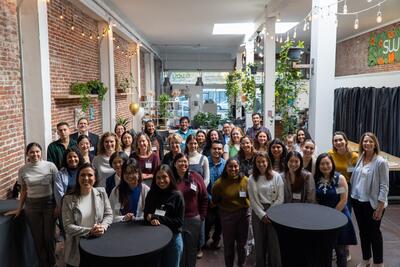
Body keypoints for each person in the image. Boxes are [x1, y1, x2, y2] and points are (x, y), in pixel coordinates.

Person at [6, 143, 58, 267]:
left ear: (41, 152)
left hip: (49, 204)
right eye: (31, 152)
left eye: (37, 151)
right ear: (27, 154)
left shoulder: (50, 166)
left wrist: (58, 206)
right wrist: (19, 209)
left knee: (49, 237)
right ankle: (43, 263)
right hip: (32, 207)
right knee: (38, 238)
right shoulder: (23, 170)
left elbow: (57, 188)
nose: (35, 154)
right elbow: (23, 190)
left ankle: (52, 262)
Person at [61, 163, 113, 267]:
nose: (86, 178)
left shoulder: (101, 192)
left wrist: (103, 227)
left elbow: (108, 214)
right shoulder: (68, 199)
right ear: (77, 177)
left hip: (98, 242)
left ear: (95, 178)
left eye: (90, 175)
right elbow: (68, 227)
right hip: (77, 246)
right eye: (82, 175)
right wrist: (90, 231)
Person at [351, 133, 389, 267]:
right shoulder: (361, 157)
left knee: (374, 233)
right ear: (362, 144)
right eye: (365, 141)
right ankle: (366, 259)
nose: (367, 144)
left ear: (375, 144)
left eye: (370, 141)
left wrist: (380, 206)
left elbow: (384, 186)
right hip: (357, 201)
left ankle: (378, 263)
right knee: (363, 232)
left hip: (372, 203)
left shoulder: (381, 162)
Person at [314, 153, 357, 267]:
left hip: (339, 217)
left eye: (327, 163)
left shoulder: (339, 178)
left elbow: (343, 200)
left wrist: (331, 215)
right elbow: (315, 199)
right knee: (325, 251)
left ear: (332, 164)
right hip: (322, 219)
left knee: (341, 251)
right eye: (322, 164)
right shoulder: (316, 179)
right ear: (318, 166)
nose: (325, 166)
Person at [211, 158, 250, 267]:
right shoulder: (219, 184)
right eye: (230, 166)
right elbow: (214, 201)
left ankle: (241, 264)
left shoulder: (246, 180)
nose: (233, 169)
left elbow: (251, 196)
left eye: (235, 166)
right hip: (227, 216)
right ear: (226, 168)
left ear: (239, 167)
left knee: (242, 245)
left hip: (244, 215)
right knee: (228, 245)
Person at [144, 165, 184, 267]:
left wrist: (157, 218)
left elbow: (179, 222)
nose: (161, 181)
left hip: (173, 239)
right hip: (154, 238)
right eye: (158, 178)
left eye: (164, 177)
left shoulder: (177, 196)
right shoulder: (151, 193)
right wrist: (150, 220)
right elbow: (146, 215)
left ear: (170, 177)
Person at [248, 152, 283, 267]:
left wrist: (270, 213)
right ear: (255, 163)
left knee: (274, 244)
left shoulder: (276, 176)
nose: (261, 164)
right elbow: (252, 200)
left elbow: (280, 197)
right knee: (259, 243)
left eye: (263, 161)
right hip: (258, 213)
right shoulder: (252, 178)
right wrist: (262, 214)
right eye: (258, 162)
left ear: (268, 162)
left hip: (275, 212)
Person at [173, 153, 208, 267]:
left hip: (193, 219)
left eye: (185, 161)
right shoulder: (171, 179)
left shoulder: (196, 177)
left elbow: (204, 197)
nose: (183, 164)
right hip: (176, 220)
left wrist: (202, 216)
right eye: (180, 161)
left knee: (192, 249)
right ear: (174, 164)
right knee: (179, 248)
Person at [205, 141, 226, 249]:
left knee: (220, 223)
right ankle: (204, 239)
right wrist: (210, 199)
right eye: (214, 149)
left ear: (222, 150)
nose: (217, 151)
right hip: (207, 199)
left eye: (219, 149)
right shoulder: (205, 162)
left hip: (221, 201)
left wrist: (218, 200)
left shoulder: (226, 164)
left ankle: (216, 240)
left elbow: (228, 183)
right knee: (207, 222)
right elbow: (202, 183)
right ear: (210, 150)